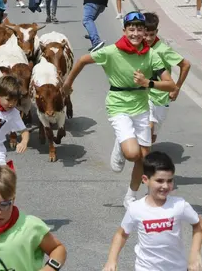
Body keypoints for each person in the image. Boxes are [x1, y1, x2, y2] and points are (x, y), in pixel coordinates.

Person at [62, 12, 176, 209]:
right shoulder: (111, 52)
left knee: (144, 158)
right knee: (132, 154)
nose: (136, 33)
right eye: (131, 29)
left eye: (139, 29)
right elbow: (81, 60)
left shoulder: (151, 55)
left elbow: (170, 85)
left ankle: (130, 197)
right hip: (118, 105)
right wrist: (67, 84)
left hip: (141, 106)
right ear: (124, 31)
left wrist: (147, 82)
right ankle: (121, 144)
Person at [102, 152, 202, 271]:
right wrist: (111, 260)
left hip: (177, 267)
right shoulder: (136, 208)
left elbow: (198, 224)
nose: (165, 186)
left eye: (170, 181)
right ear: (145, 179)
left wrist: (194, 253)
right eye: (160, 181)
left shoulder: (179, 205)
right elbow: (121, 234)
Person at [143, 13, 191, 144]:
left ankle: (145, 153)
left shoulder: (163, 50)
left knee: (152, 135)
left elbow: (185, 64)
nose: (147, 39)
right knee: (148, 127)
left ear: (156, 32)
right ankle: (141, 161)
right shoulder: (137, 47)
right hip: (144, 96)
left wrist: (177, 88)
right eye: (145, 34)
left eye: (151, 35)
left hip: (161, 97)